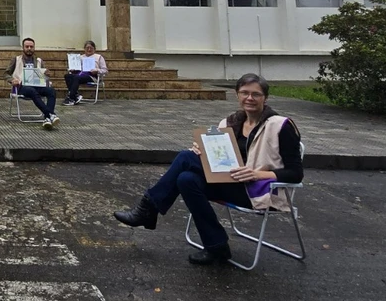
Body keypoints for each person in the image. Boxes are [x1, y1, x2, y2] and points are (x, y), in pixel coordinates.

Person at [112, 73, 303, 266]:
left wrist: (257, 174)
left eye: (256, 94)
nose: (249, 98)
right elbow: (220, 160)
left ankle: (148, 209)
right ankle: (217, 247)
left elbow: (296, 174)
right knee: (186, 178)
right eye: (244, 93)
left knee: (185, 159)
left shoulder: (280, 126)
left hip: (260, 192)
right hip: (230, 182)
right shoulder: (230, 123)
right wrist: (203, 152)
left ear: (265, 98)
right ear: (237, 95)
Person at [5, 37, 58, 129]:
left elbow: (44, 76)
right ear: (23, 48)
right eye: (27, 46)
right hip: (22, 87)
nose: (29, 49)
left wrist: (46, 75)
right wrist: (12, 80)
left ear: (34, 48)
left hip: (37, 85)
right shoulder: (16, 59)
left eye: (31, 46)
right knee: (31, 90)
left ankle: (47, 118)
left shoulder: (39, 61)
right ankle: (50, 114)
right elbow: (6, 74)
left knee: (51, 91)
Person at [62, 40, 108, 106]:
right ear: (84, 49)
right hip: (79, 75)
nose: (89, 49)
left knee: (76, 77)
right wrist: (73, 69)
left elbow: (105, 70)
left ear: (94, 49)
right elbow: (77, 67)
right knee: (67, 76)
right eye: (87, 48)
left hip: (92, 76)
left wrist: (97, 70)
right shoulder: (80, 57)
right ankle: (75, 95)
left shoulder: (98, 57)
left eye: (91, 48)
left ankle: (72, 97)